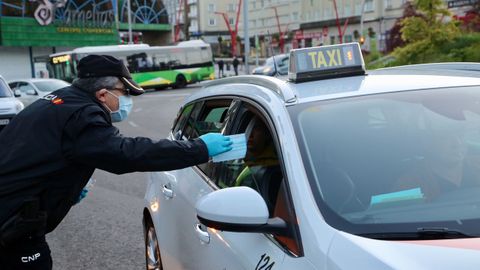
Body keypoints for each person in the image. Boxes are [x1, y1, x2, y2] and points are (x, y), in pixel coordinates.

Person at [0, 55, 232, 270]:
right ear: (102, 94)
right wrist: (199, 148)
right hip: (13, 224)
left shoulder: (58, 101)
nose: (126, 100)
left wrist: (62, 189)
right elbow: (127, 153)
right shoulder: (83, 115)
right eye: (124, 93)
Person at [392, 121, 480, 201]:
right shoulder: (409, 185)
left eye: (461, 135)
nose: (457, 143)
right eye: (445, 137)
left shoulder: (477, 164)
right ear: (427, 142)